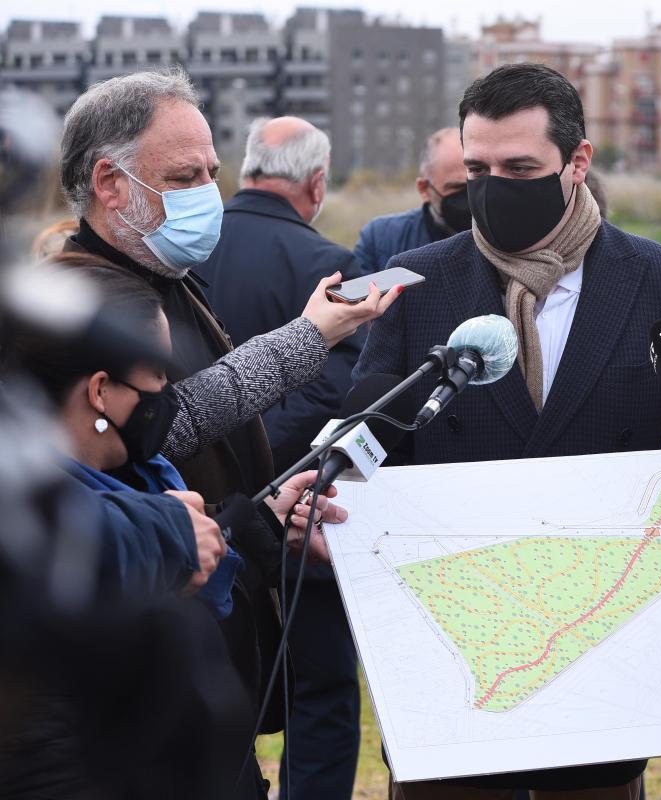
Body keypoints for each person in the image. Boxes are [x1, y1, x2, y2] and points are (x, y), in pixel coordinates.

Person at [354, 61, 661, 800]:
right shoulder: (415, 280)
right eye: (478, 168)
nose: (494, 188)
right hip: (453, 640)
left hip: (598, 635)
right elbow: (374, 440)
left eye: (520, 167)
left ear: (577, 161)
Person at [57, 67, 398, 798]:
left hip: (208, 634)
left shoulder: (166, 276)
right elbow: (158, 433)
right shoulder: (84, 303)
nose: (208, 193)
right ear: (110, 184)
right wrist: (308, 338)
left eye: (212, 171)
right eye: (183, 176)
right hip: (144, 679)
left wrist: (265, 515)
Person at [0, 253, 346, 798]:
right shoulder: (39, 550)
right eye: (159, 371)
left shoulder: (142, 485)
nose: (170, 391)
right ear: (99, 392)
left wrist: (257, 527)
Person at [196, 115, 365, 800]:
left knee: (211, 694)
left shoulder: (179, 256)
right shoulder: (328, 268)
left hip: (197, 519)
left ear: (243, 168)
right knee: (320, 696)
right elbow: (343, 398)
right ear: (317, 182)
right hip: (303, 522)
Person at [355, 127, 471, 272]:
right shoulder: (381, 240)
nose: (471, 196)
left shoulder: (501, 238)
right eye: (457, 188)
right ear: (424, 189)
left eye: (477, 182)